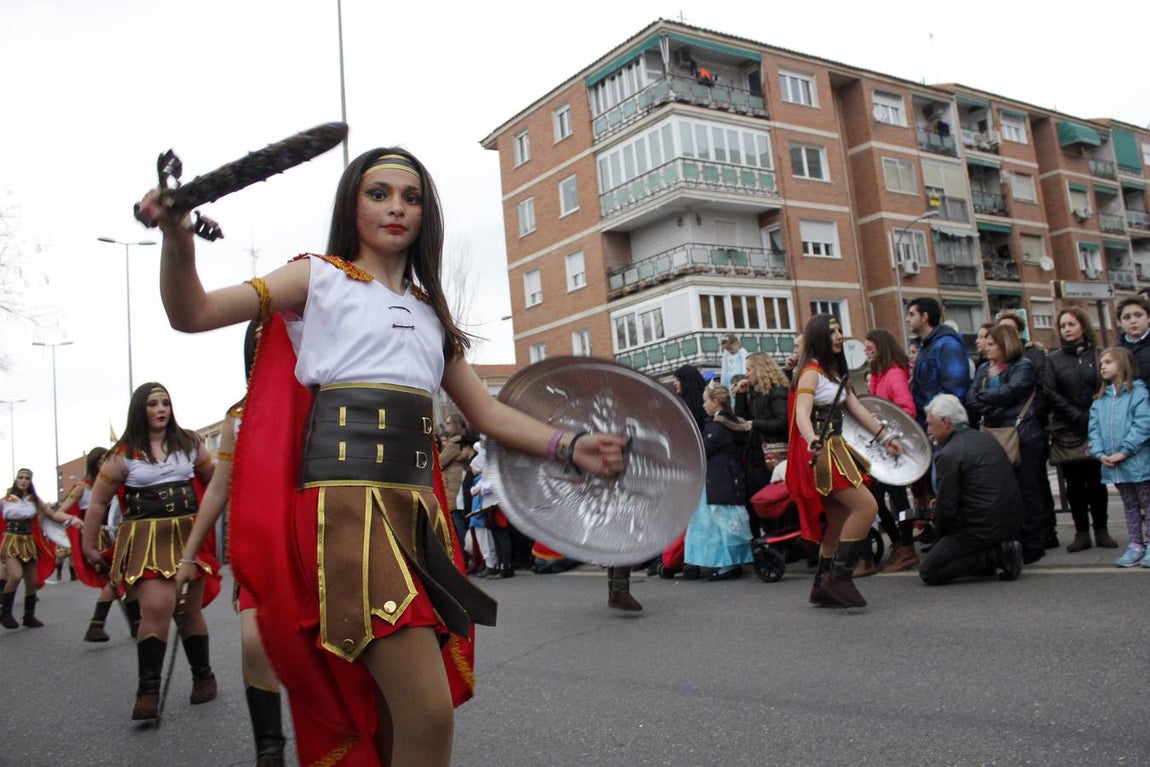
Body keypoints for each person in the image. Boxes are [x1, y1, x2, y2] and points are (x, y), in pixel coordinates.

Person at [137, 146, 626, 766]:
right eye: (379, 193)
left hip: (419, 515)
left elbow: (488, 413)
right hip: (345, 514)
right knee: (427, 714)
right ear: (352, 204)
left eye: (411, 196)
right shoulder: (317, 278)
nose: (397, 207)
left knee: (395, 719)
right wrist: (177, 236)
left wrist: (572, 446)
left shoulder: (429, 314)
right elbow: (193, 312)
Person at [81, 383, 222, 721]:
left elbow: (215, 481)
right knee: (157, 607)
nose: (161, 408)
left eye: (165, 402)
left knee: (188, 611)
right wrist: (87, 545)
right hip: (146, 541)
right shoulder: (122, 455)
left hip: (189, 537)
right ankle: (148, 690)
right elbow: (98, 502)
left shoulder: (191, 444)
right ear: (139, 410)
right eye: (152, 403)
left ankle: (203, 676)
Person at [785, 314, 902, 608]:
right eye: (832, 332)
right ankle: (838, 577)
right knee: (867, 506)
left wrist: (886, 437)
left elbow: (858, 410)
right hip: (823, 453)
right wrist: (812, 438)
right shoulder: (810, 372)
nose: (839, 336)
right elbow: (802, 413)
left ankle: (821, 586)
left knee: (837, 522)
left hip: (836, 449)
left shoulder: (835, 373)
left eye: (839, 330)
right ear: (819, 338)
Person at [918, 394, 1024, 585]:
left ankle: (997, 556)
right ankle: (994, 553)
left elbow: (947, 510)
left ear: (946, 422)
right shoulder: (986, 439)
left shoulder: (948, 454)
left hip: (979, 528)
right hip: (1010, 521)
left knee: (929, 571)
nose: (928, 431)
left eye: (931, 424)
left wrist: (939, 533)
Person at [965, 324, 1046, 564]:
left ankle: (1034, 544)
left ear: (1005, 344)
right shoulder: (983, 369)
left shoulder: (1023, 365)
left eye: (992, 345)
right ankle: (1013, 540)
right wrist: (988, 400)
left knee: (1028, 489)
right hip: (995, 433)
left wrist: (984, 398)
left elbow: (1013, 391)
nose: (986, 349)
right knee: (1005, 493)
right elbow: (970, 398)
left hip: (1023, 435)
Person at [1043, 307, 1117, 552]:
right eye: (1063, 325)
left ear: (1083, 326)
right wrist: (1076, 416)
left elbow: (1107, 385)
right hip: (1068, 429)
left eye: (1071, 324)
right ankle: (1081, 532)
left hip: (1097, 425)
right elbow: (1050, 392)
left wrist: (1093, 416)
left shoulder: (1099, 355)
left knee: (1097, 482)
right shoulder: (1053, 359)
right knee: (1074, 485)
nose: (1067, 329)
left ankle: (1102, 530)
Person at [59, 446, 142, 642]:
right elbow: (61, 511)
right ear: (95, 463)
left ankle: (133, 625)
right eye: (101, 460)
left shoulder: (115, 482)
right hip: (97, 539)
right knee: (118, 578)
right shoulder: (83, 487)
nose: (106, 463)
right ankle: (97, 624)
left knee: (126, 580)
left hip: (118, 536)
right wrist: (73, 520)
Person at [861, 329, 919, 576]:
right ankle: (900, 543)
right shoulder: (878, 375)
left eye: (869, 347)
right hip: (884, 447)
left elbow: (907, 408)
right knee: (879, 501)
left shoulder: (893, 373)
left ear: (880, 347)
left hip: (895, 446)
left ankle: (905, 546)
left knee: (897, 500)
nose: (866, 351)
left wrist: (884, 428)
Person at [997, 311, 1057, 549]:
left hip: (1031, 428)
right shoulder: (999, 361)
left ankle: (1046, 532)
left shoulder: (1032, 356)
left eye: (1011, 329)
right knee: (1020, 486)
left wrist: (1036, 418)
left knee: (1036, 484)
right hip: (1008, 432)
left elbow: (1042, 389)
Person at [1087, 347, 1150, 568]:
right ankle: (1135, 545)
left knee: (1147, 503)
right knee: (1130, 505)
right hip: (1114, 464)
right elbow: (1093, 429)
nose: (1102, 365)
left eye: (1108, 361)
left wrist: (1125, 450)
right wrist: (1100, 453)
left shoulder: (1138, 393)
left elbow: (1143, 423)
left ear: (1122, 364)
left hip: (1137, 461)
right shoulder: (1100, 399)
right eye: (1101, 362)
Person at [684, 384, 754, 581]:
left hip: (718, 480)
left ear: (716, 402)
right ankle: (733, 562)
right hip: (729, 478)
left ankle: (726, 564)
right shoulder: (732, 422)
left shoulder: (717, 426)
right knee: (728, 523)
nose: (703, 405)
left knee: (717, 525)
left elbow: (702, 451)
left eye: (706, 400)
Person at [1, 468, 81, 629]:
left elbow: (53, 515)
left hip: (29, 542)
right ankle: (5, 613)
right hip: (11, 541)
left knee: (32, 582)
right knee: (16, 575)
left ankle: (29, 616)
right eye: (21, 477)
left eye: (27, 478)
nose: (23, 480)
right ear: (16, 480)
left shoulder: (35, 500)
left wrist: (72, 518)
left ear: (31, 482)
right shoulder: (6, 500)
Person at [732, 353, 790, 532]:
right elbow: (742, 419)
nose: (746, 374)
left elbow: (783, 422)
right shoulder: (755, 393)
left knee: (774, 498)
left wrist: (754, 424)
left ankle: (783, 539)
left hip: (772, 453)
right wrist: (741, 396)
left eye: (749, 369)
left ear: (759, 369)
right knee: (758, 497)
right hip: (757, 453)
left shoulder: (777, 391)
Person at [440, 413, 475, 561]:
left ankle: (463, 555)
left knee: (457, 521)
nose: (447, 426)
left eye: (448, 423)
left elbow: (441, 461)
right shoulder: (461, 441)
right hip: (458, 482)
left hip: (453, 484)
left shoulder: (454, 442)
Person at [1116, 296, 1150, 385]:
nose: (1133, 321)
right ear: (1120, 322)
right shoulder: (1116, 351)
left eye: (1138, 315)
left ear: (1148, 317)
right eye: (1127, 317)